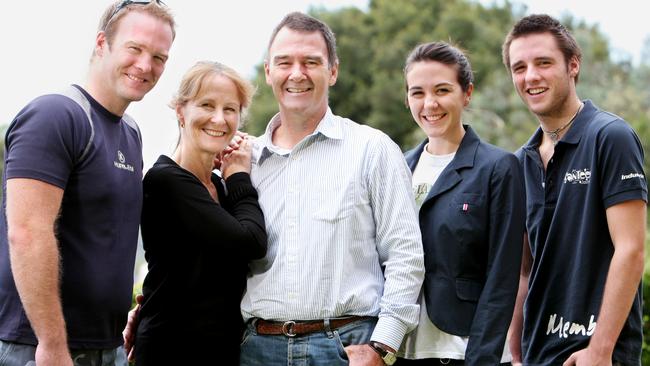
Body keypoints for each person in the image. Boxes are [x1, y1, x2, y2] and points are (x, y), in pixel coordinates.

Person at [237, 12, 425, 366]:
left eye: (311, 62)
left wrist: (383, 348)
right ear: (268, 72)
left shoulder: (372, 149)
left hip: (346, 348)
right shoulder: (245, 162)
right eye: (284, 62)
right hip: (257, 350)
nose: (297, 73)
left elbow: (405, 254)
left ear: (333, 71)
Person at [0, 1, 175, 365]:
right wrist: (51, 344)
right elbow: (27, 233)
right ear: (101, 43)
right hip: (38, 348)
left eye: (159, 57)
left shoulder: (131, 133)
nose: (146, 65)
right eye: (135, 48)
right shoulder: (56, 115)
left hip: (105, 347)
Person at [502, 14, 647, 366]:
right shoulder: (520, 162)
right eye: (519, 67)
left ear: (573, 65)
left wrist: (600, 350)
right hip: (538, 354)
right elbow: (524, 269)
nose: (531, 76)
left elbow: (630, 249)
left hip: (597, 354)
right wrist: (514, 353)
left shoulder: (610, 137)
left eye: (543, 63)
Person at [396, 42, 524, 365]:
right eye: (417, 93)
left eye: (442, 90)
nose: (430, 104)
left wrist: (481, 358)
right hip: (401, 349)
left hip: (463, 352)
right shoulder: (398, 165)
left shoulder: (498, 167)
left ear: (466, 93)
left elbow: (503, 276)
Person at [133, 61, 267, 365]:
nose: (219, 119)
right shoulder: (165, 180)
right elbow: (253, 243)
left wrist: (230, 180)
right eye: (207, 105)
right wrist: (239, 177)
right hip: (172, 350)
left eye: (230, 109)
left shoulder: (218, 187)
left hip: (222, 349)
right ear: (181, 111)